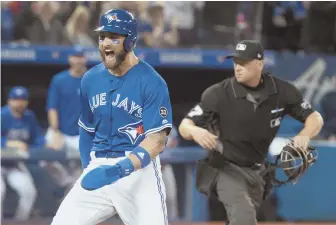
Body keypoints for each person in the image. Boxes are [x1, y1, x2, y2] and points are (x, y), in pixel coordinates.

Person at [178, 40, 324, 225]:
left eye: (244, 63)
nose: (238, 68)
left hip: (258, 171)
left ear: (259, 64)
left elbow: (315, 118)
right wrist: (194, 130)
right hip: (225, 168)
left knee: (262, 218)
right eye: (235, 62)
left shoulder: (281, 91)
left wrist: (305, 134)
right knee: (244, 217)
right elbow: (185, 126)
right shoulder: (219, 94)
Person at [51, 9, 173, 225]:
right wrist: (89, 167)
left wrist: (119, 169)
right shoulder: (90, 79)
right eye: (102, 37)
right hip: (100, 165)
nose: (105, 43)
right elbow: (87, 129)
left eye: (114, 38)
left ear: (131, 41)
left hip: (138, 170)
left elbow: (157, 141)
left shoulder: (152, 81)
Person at [1, 86, 40, 221]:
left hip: (14, 164)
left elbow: (37, 139)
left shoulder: (29, 117)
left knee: (29, 192)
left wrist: (47, 144)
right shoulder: (2, 115)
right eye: (15, 99)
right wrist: (9, 143)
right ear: (9, 101)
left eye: (22, 99)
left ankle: (20, 221)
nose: (19, 102)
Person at [46, 45, 87, 152]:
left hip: (83, 134)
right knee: (50, 147)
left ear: (85, 59)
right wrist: (55, 131)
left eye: (81, 57)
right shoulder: (59, 80)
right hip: (62, 132)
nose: (78, 60)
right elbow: (52, 107)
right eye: (75, 57)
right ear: (70, 59)